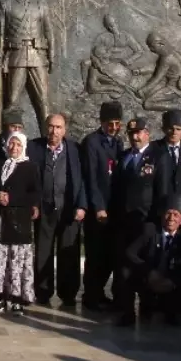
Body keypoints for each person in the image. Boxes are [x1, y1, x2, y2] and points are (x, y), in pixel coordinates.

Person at [0, 131, 40, 314]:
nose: (14, 148)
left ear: (23, 147)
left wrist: (12, 198)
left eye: (18, 145)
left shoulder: (30, 167)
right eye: (12, 144)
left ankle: (16, 299)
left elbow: (35, 193)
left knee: (16, 260)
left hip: (18, 223)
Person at [31, 113, 86, 308]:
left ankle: (68, 293)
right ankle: (43, 292)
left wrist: (81, 205)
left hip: (68, 208)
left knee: (68, 253)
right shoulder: (34, 147)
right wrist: (34, 204)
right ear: (46, 128)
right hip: (45, 209)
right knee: (43, 252)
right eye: (51, 127)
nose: (54, 131)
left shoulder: (75, 149)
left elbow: (82, 179)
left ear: (65, 130)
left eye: (58, 127)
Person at [118, 196, 181, 326]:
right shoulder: (149, 230)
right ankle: (128, 315)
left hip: (170, 283)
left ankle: (173, 312)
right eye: (168, 213)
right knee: (125, 272)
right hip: (148, 278)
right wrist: (149, 272)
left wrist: (173, 281)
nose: (171, 218)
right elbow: (129, 253)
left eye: (176, 215)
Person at [80, 100, 124, 311]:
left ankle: (100, 292)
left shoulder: (118, 144)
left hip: (114, 209)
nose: (114, 127)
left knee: (109, 255)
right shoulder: (91, 142)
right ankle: (91, 295)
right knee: (95, 255)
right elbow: (91, 178)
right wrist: (98, 207)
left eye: (117, 123)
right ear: (102, 122)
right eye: (110, 123)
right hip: (98, 210)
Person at [150, 109, 181, 220]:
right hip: (161, 210)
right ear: (164, 129)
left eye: (178, 129)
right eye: (171, 128)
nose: (174, 132)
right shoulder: (153, 148)